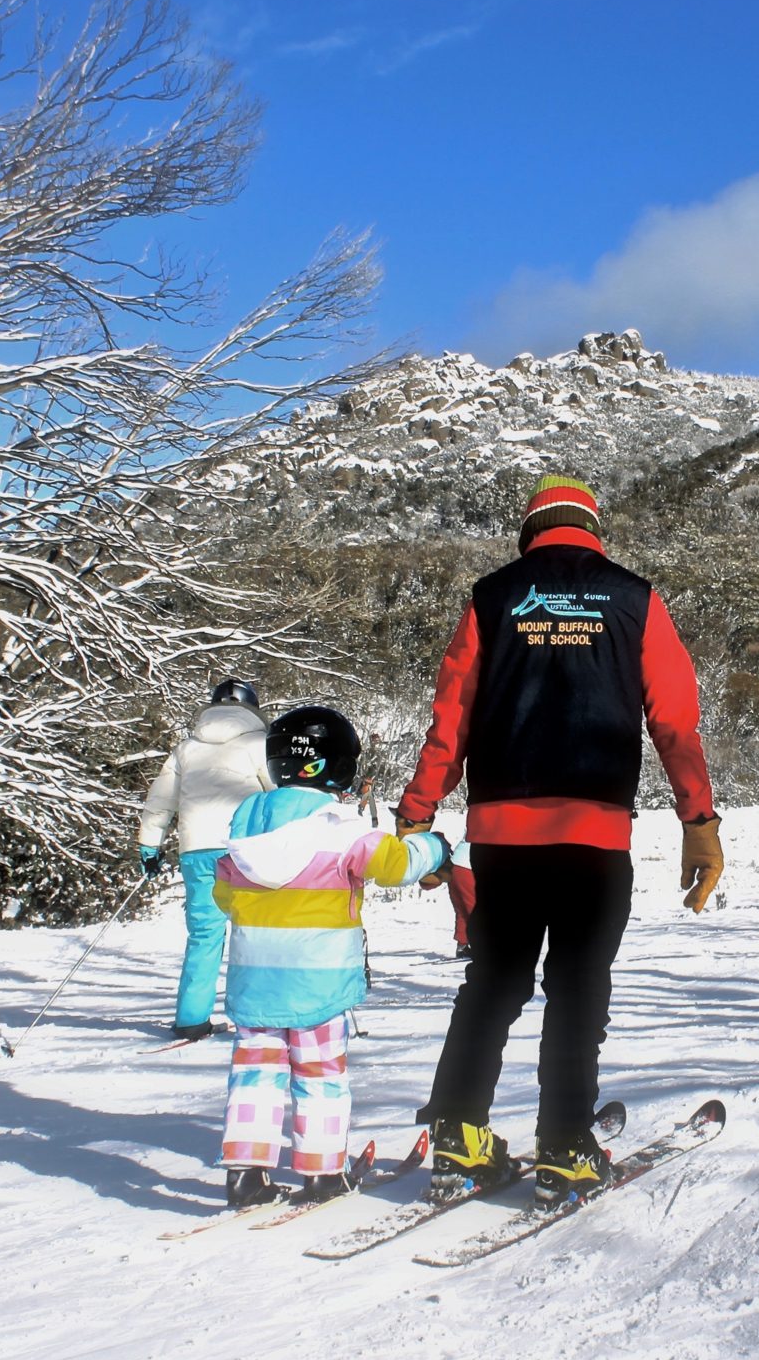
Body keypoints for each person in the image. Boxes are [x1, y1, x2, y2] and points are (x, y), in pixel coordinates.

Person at [396, 473, 723, 1207]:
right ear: (592, 528)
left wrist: (418, 811)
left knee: (493, 983)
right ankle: (568, 1146)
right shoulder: (636, 598)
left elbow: (451, 716)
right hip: (593, 834)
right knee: (578, 989)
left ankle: (458, 1133)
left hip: (501, 836)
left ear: (531, 529)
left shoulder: (492, 595)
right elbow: (675, 722)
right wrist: (698, 822)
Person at [207, 705, 452, 1208]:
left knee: (255, 1074)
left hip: (255, 979)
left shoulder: (247, 822)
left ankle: (245, 1174)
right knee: (319, 1075)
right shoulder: (339, 824)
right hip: (318, 981)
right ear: (339, 766)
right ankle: (321, 1173)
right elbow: (393, 865)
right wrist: (434, 848)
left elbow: (225, 892)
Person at [137, 677, 272, 1040]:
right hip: (245, 851)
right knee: (254, 932)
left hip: (196, 851)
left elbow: (160, 800)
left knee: (204, 937)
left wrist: (150, 845)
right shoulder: (260, 744)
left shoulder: (186, 749)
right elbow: (278, 793)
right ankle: (257, 1015)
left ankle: (191, 1019)